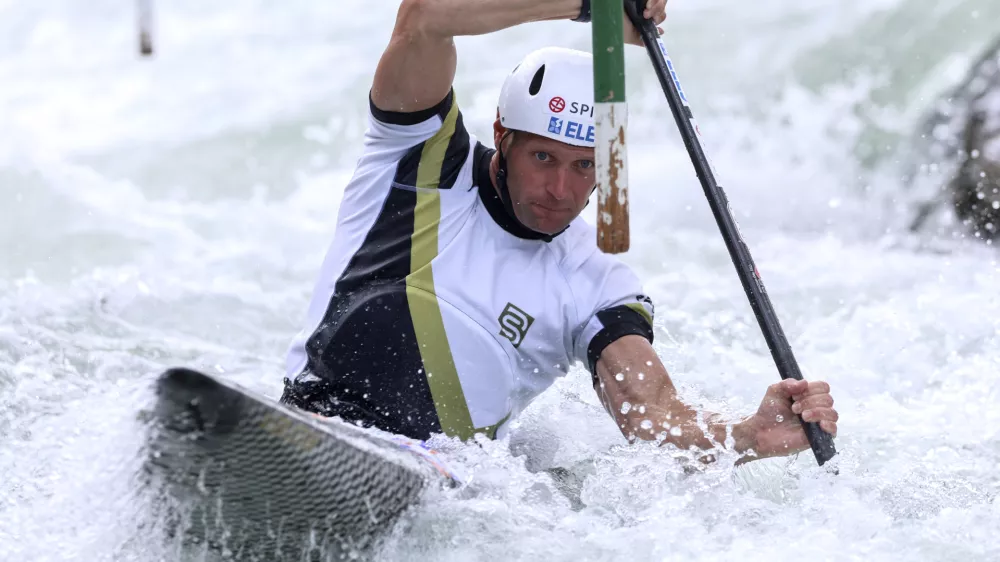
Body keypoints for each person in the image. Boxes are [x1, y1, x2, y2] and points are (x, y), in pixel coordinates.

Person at [280, 0, 838, 465]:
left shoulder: (596, 282)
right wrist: (591, 6)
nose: (561, 190)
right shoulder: (418, 161)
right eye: (543, 157)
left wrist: (750, 434)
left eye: (584, 166)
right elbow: (425, 16)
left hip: (436, 482)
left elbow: (653, 414)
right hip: (309, 419)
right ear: (503, 135)